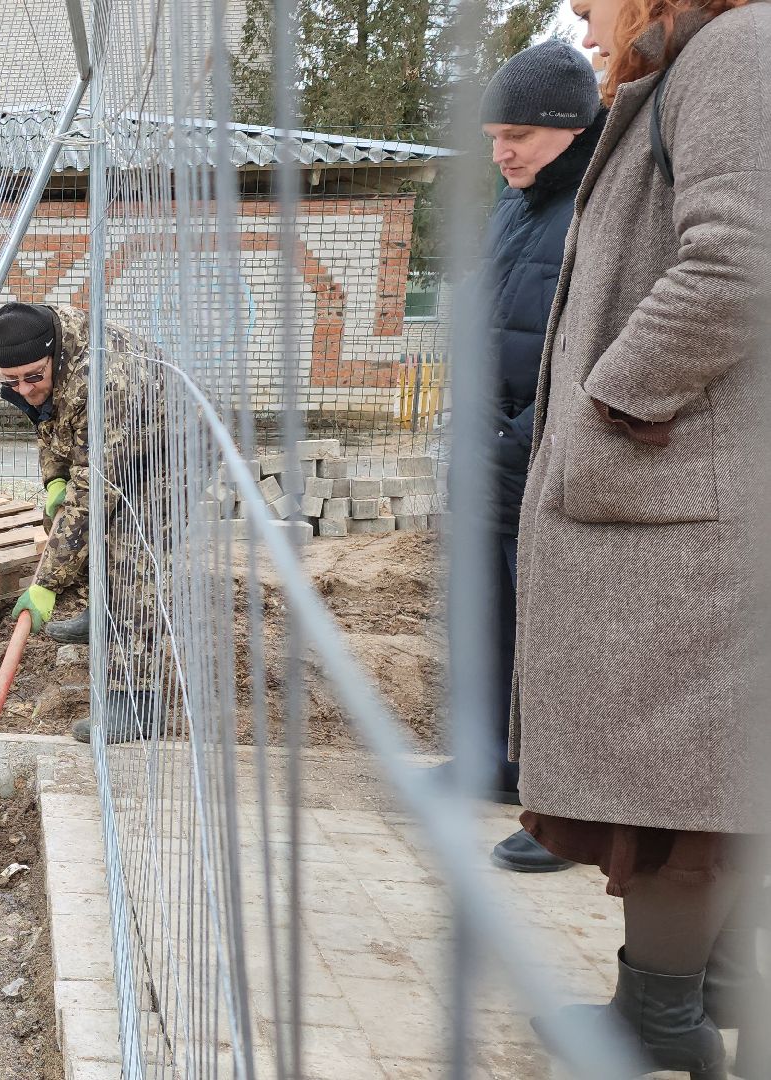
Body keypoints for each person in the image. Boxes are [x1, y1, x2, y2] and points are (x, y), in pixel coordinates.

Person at [512, 0, 770, 1075]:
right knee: (687, 784)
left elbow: (741, 259)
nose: (577, 7)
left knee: (686, 789)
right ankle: (696, 996)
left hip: (685, 506)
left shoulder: (741, 50)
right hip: (676, 498)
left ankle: (662, 1019)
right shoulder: (697, 59)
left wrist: (613, 400)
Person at [471, 40, 607, 875]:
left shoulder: (593, 205)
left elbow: (585, 352)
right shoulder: (514, 203)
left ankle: (566, 814)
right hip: (493, 450)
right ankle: (498, 764)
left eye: (518, 133)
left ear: (570, 127)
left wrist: (520, 438)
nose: (502, 151)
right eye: (493, 135)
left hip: (551, 458)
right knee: (493, 623)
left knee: (559, 640)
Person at [0, 301, 171, 744]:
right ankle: (99, 613)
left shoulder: (101, 380)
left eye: (34, 376)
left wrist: (47, 583)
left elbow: (93, 494)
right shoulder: (40, 365)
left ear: (54, 355)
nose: (25, 388)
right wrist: (54, 480)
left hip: (173, 449)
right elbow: (50, 420)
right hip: (122, 445)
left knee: (130, 554)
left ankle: (138, 702)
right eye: (13, 381)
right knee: (92, 531)